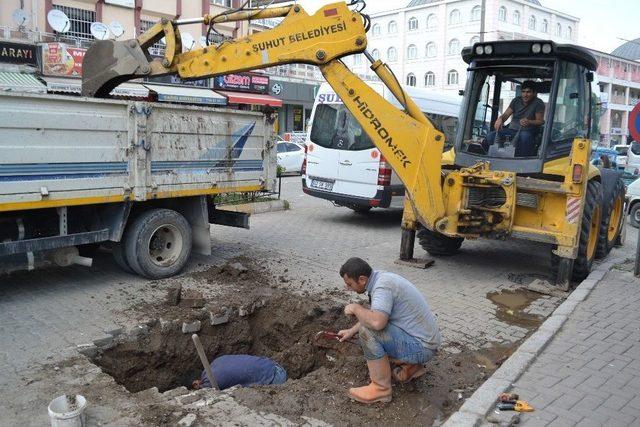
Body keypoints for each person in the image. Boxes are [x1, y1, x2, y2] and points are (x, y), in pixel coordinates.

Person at [337, 257, 441, 404]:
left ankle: (381, 389)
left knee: (368, 333)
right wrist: (350, 331)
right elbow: (373, 316)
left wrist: (355, 308)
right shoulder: (381, 279)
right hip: (425, 343)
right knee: (370, 327)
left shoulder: (382, 288)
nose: (348, 288)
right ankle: (412, 367)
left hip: (421, 347)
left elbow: (377, 323)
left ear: (362, 279)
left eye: (349, 284)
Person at [484, 80, 545, 157]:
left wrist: (529, 121)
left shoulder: (538, 103)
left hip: (527, 131)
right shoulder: (516, 101)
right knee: (490, 136)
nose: (525, 95)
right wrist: (500, 119)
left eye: (528, 92)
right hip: (511, 130)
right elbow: (506, 115)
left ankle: (521, 161)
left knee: (525, 138)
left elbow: (540, 121)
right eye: (523, 92)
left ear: (534, 93)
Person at [191, 354, 287, 390]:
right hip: (271, 364)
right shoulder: (216, 361)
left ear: (195, 384)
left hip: (275, 379)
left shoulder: (211, 383)